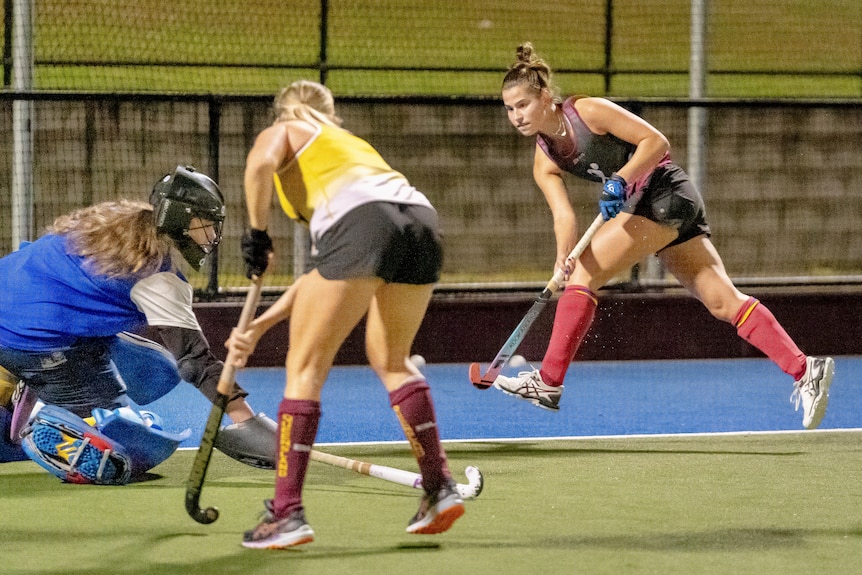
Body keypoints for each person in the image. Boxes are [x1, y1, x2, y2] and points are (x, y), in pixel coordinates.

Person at [493, 43, 834, 428]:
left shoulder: (586, 111)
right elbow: (563, 215)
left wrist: (621, 179)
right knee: (723, 302)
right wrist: (563, 257)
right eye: (509, 109)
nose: (516, 116)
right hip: (654, 207)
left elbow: (656, 142)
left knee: (586, 276)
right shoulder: (544, 159)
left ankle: (549, 381)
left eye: (522, 104)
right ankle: (806, 369)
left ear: (544, 98)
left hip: (664, 194)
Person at [231, 79, 463, 549]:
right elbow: (324, 276)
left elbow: (258, 162)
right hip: (420, 223)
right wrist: (259, 325)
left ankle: (286, 514)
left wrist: (257, 233)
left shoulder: (291, 126)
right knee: (392, 360)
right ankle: (439, 488)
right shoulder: (348, 148)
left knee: (303, 369)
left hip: (362, 226)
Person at [0, 166, 277, 483]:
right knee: (124, 440)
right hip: (34, 342)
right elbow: (194, 362)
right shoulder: (160, 278)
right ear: (181, 220)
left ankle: (13, 387)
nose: (212, 234)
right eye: (206, 223)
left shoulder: (113, 222)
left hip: (10, 306)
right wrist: (244, 418)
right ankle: (45, 425)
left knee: (153, 366)